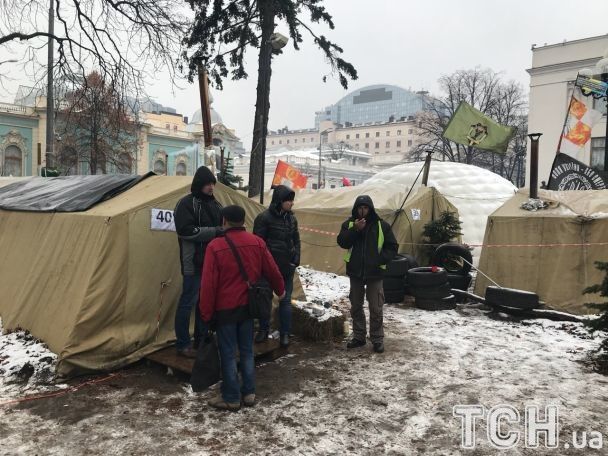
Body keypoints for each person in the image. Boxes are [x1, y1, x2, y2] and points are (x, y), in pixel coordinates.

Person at [200, 205, 285, 411]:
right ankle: (248, 392)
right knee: (247, 351)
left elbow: (208, 285)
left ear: (224, 222)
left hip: (225, 309)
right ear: (242, 221)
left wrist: (206, 313)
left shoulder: (215, 246)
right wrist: (280, 290)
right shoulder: (257, 242)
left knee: (228, 353)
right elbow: (272, 270)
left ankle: (230, 396)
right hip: (248, 307)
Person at [337, 195, 398, 353]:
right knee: (356, 306)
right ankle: (359, 337)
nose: (362, 211)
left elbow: (392, 247)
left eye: (365, 208)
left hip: (375, 273)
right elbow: (342, 242)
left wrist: (380, 259)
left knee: (376, 307)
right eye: (360, 208)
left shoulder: (381, 226)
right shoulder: (350, 224)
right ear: (356, 209)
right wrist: (355, 230)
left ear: (370, 209)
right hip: (356, 273)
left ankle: (377, 338)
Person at [173, 166, 223, 358]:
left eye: (212, 184)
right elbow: (185, 231)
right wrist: (214, 232)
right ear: (199, 185)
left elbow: (222, 229)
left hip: (211, 263)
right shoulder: (186, 204)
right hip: (193, 264)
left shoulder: (216, 205)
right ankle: (183, 344)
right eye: (207, 184)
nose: (211, 187)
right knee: (187, 303)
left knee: (205, 303)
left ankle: (201, 340)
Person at [253, 185, 300, 347]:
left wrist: (296, 259)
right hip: (268, 268)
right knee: (264, 299)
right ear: (280, 201)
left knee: (285, 301)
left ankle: (285, 334)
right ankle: (263, 330)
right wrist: (263, 264)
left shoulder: (292, 219)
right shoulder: (264, 218)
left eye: (292, 200)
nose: (292, 203)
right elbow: (258, 243)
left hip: (286, 267)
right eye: (289, 200)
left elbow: (296, 240)